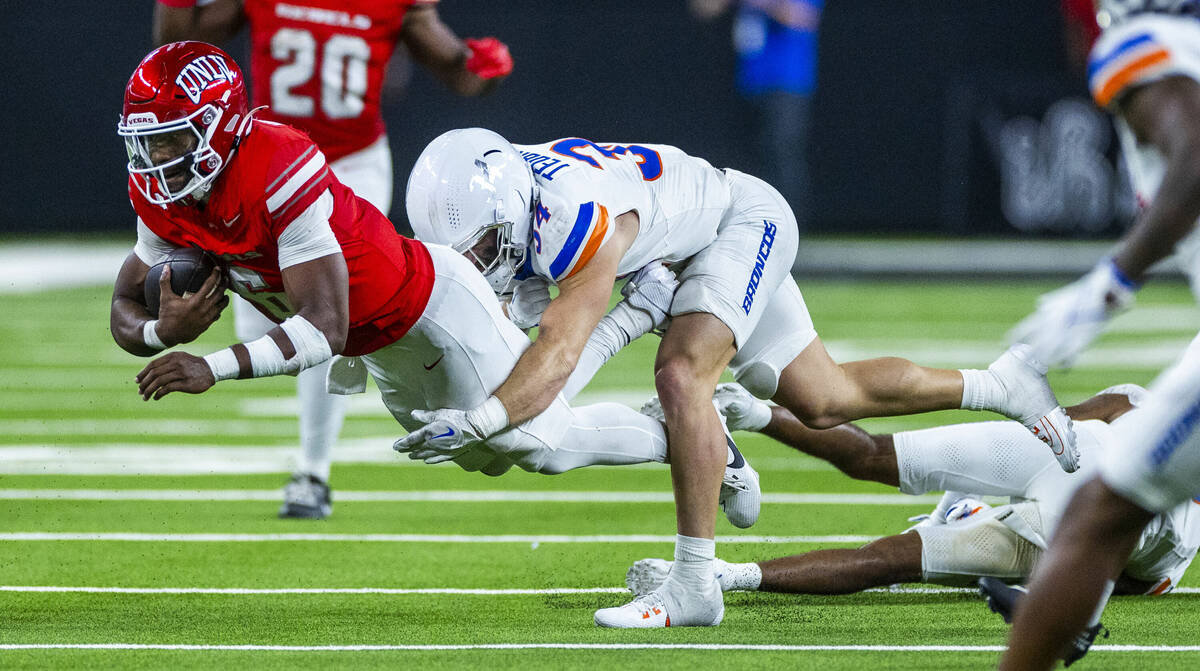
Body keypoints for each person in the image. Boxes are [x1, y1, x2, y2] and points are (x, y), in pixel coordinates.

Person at [399, 128, 1076, 628]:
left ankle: (695, 581)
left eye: (486, 244)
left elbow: (562, 355)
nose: (482, 260)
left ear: (512, 203)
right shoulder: (515, 204)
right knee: (825, 398)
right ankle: (1001, 383)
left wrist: (486, 418)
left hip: (736, 221)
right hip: (691, 243)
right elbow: (551, 370)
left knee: (682, 374)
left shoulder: (570, 215)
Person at [109, 43, 760, 525]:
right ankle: (675, 419)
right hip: (376, 343)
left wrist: (212, 366)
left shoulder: (278, 165)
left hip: (431, 304)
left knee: (537, 442)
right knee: (486, 458)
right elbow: (121, 307)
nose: (155, 161)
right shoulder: (164, 194)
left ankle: (693, 433)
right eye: (148, 144)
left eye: (170, 141)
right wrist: (161, 330)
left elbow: (321, 326)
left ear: (220, 126)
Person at [152, 0, 513, 518]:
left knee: (321, 316)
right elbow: (177, 44)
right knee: (260, 325)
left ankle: (312, 472)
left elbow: (457, 71)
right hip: (259, 167)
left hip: (349, 164)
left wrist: (483, 72)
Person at [998, 1, 1200, 668]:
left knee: (1102, 510)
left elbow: (1197, 157)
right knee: (1104, 510)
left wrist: (1109, 285)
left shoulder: (1145, 44)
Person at [629, 383, 1197, 606]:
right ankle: (726, 575)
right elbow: (1110, 570)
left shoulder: (1144, 406)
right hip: (1072, 512)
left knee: (876, 464)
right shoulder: (1177, 550)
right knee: (889, 559)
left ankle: (750, 412)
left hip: (1075, 465)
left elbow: (1050, 423)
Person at [689, 0, 822, 232]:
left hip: (787, 82)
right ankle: (743, 226)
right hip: (747, 81)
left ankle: (788, 229)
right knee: (742, 157)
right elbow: (703, 8)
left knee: (781, 154)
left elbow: (802, 17)